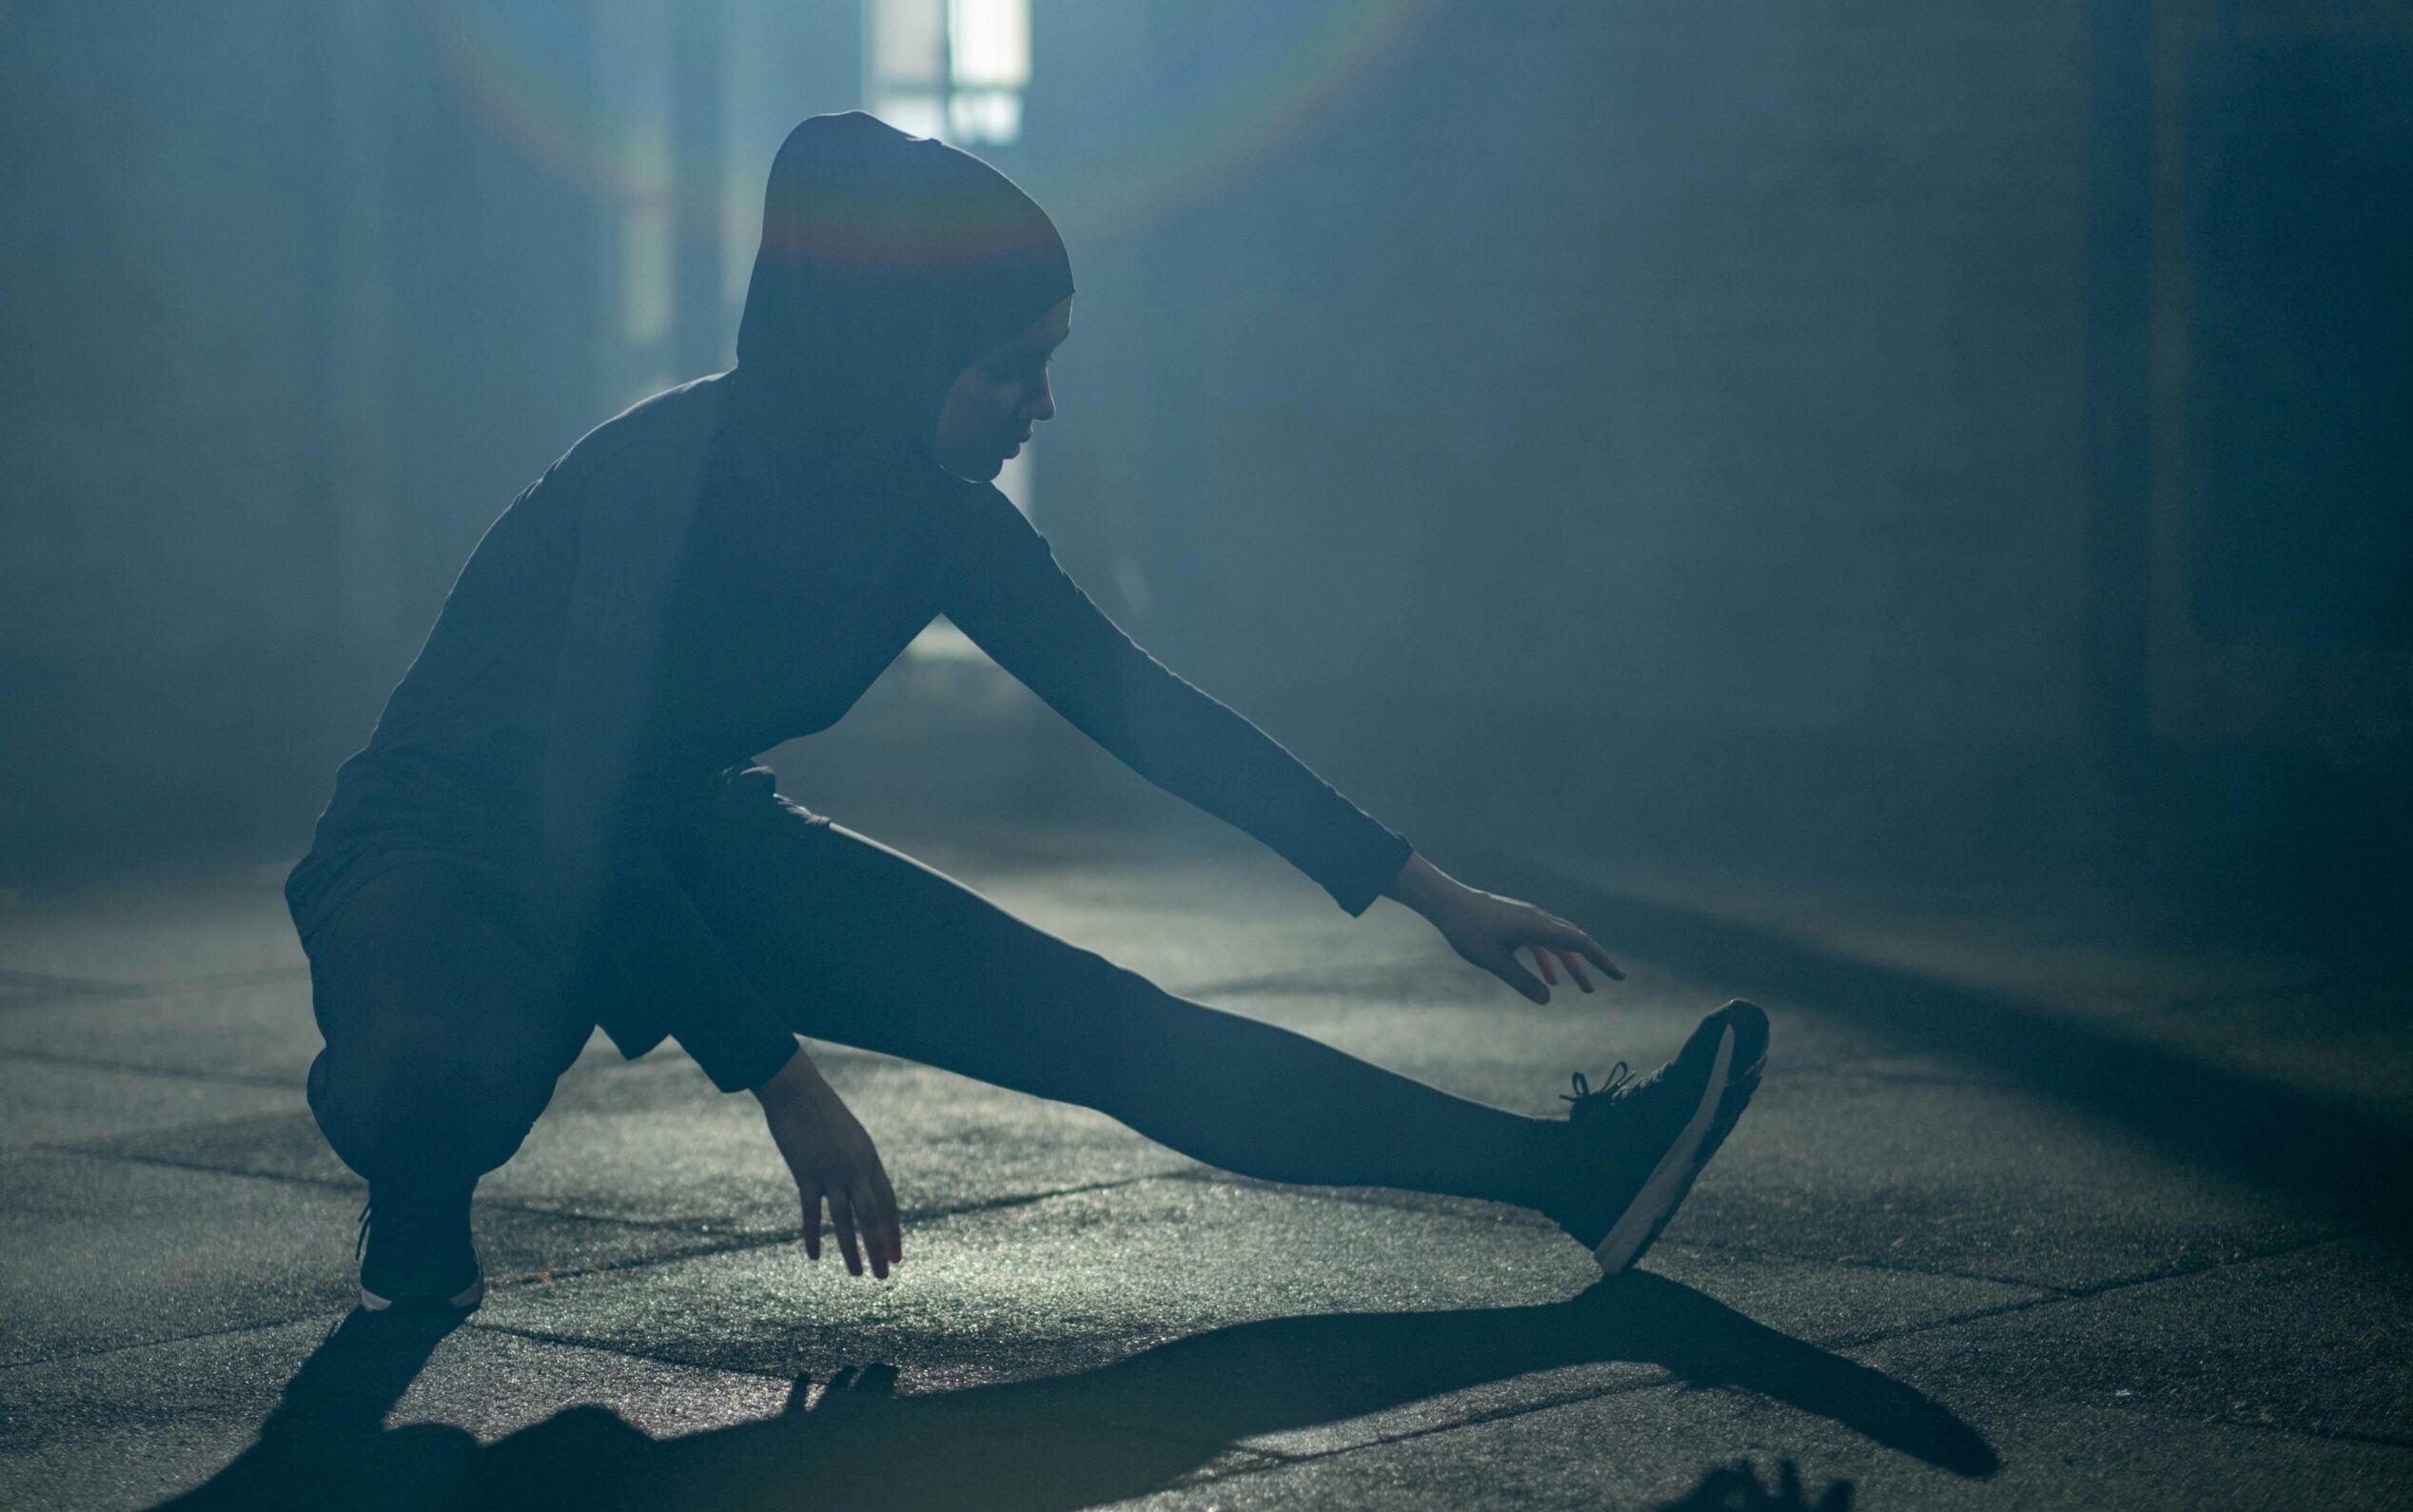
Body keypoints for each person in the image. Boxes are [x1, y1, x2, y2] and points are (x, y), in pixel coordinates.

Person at [285, 112, 1770, 1315]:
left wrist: (1429, 890)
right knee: (439, 1078)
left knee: (1106, 1026)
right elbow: (575, 816)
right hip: (452, 839)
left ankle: (1578, 1179)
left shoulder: (938, 518)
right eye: (1013, 370)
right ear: (896, 350)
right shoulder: (653, 483)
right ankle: (419, 1183)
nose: (1037, 409)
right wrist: (783, 1077)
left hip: (673, 836)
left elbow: (1148, 714)